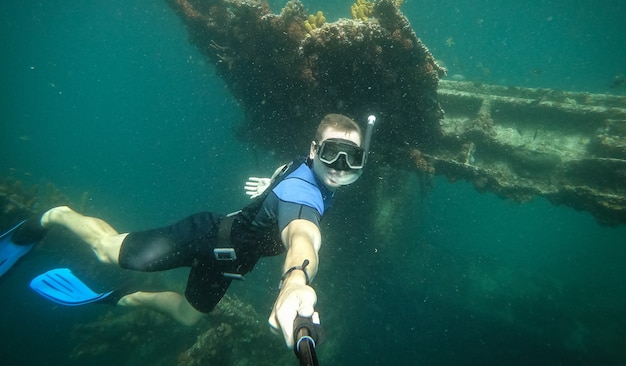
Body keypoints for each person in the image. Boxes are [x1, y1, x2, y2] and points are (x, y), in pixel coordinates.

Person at [0, 113, 373, 348]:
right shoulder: (306, 197)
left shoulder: (314, 176)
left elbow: (291, 176)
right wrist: (295, 280)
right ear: (314, 150)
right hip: (206, 235)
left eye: (352, 158)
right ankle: (56, 215)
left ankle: (115, 298)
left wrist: (269, 186)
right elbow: (302, 235)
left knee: (188, 316)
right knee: (107, 250)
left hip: (230, 264)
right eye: (331, 153)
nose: (340, 166)